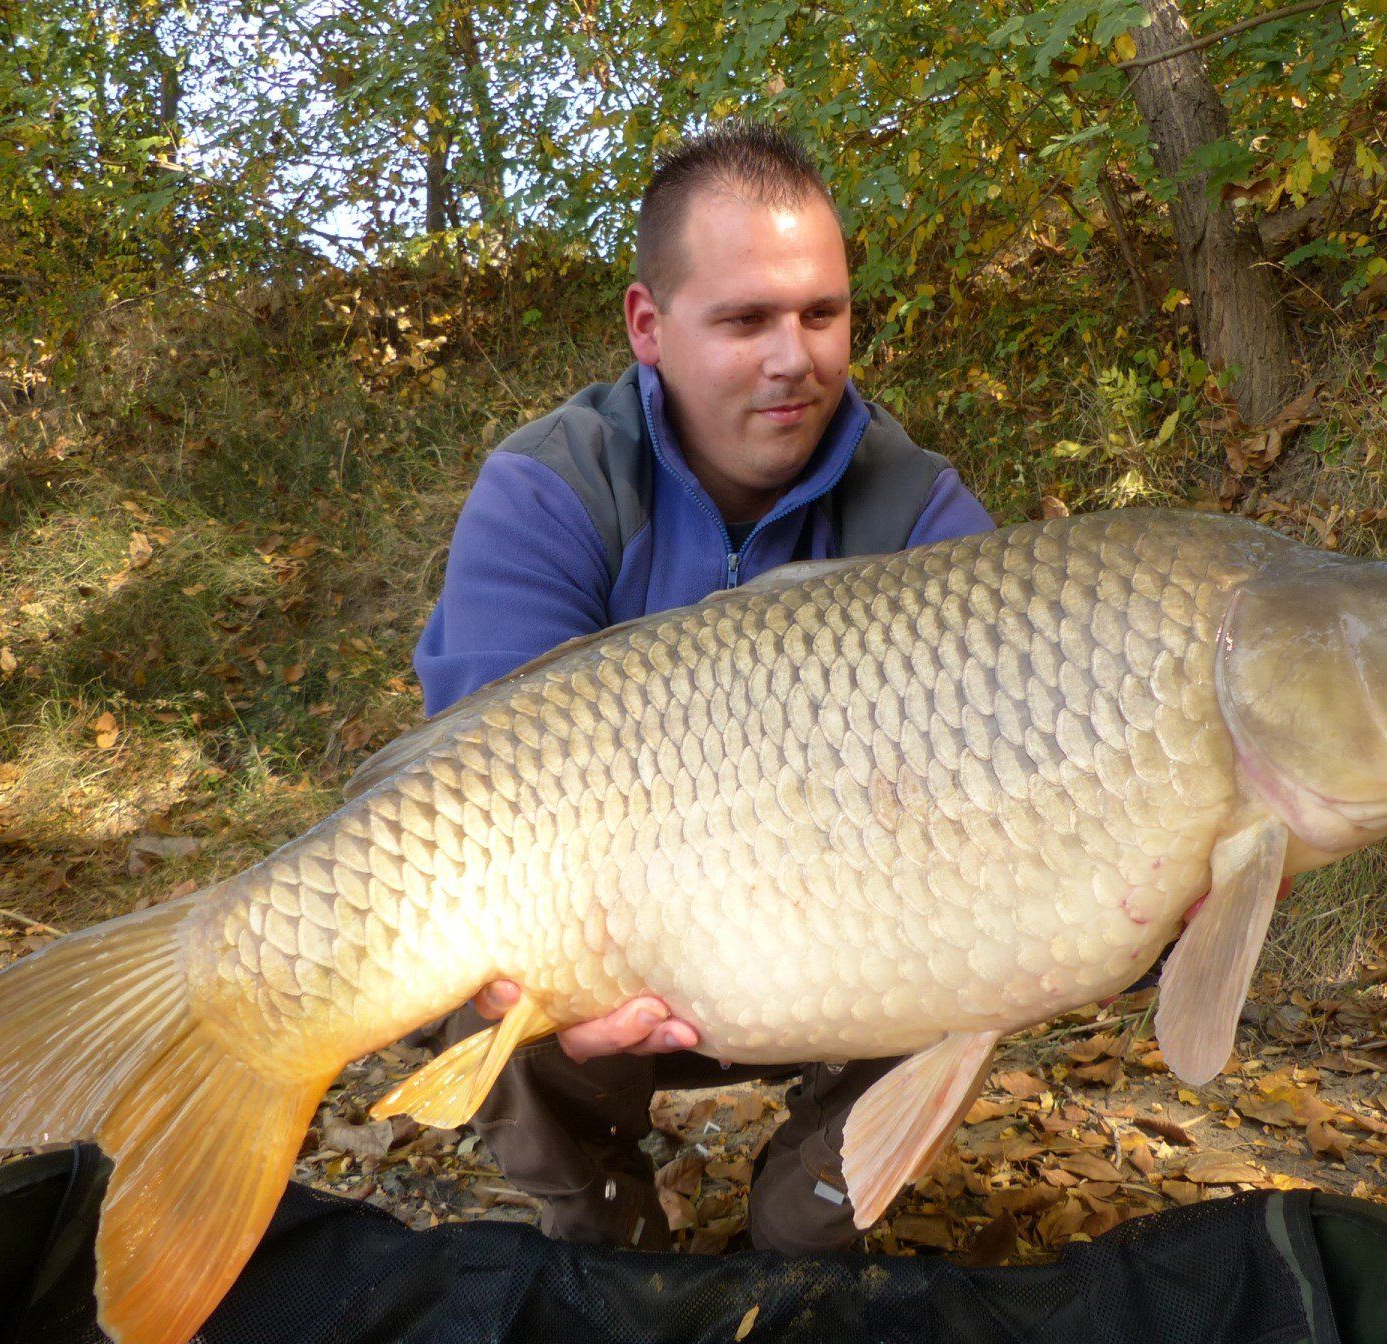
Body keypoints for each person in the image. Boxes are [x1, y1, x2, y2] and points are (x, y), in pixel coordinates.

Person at [410, 119, 995, 1254]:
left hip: (844, 946)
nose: (797, 358)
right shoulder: (550, 488)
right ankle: (603, 1228)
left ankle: (799, 1237)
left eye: (822, 313)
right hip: (607, 944)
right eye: (744, 320)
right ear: (649, 326)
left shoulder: (920, 514)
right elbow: (473, 799)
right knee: (449, 952)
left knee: (995, 945)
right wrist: (552, 982)